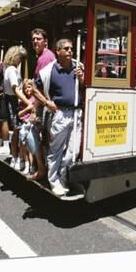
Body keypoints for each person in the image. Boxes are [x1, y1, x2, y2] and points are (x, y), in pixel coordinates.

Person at [32, 39, 84, 196]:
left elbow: (84, 87)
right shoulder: (49, 71)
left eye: (71, 49)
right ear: (58, 52)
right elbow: (33, 88)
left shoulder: (78, 66)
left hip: (76, 113)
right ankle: (54, 181)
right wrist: (47, 102)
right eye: (66, 49)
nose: (70, 51)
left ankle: (62, 177)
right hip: (60, 114)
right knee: (56, 151)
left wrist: (81, 78)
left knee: (73, 151)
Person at [28, 28, 55, 180]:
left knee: (34, 133)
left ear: (45, 41)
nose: (35, 41)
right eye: (33, 39)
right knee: (45, 136)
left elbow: (41, 87)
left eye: (38, 38)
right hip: (46, 102)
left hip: (45, 104)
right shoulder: (46, 56)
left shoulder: (45, 58)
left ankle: (42, 168)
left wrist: (34, 109)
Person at [17, 79, 39, 175]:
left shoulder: (35, 99)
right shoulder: (23, 100)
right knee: (24, 146)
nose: (27, 89)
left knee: (31, 147)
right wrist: (27, 108)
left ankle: (32, 166)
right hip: (24, 125)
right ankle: (26, 164)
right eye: (25, 88)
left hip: (32, 125)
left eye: (29, 87)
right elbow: (19, 114)